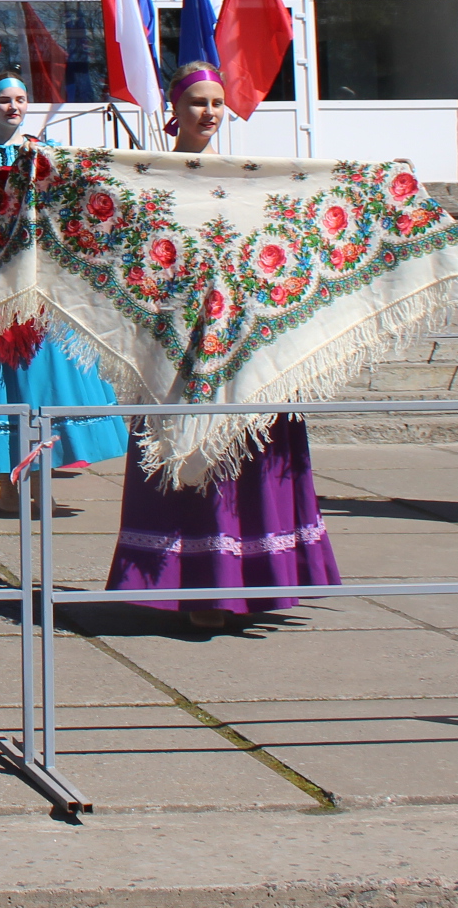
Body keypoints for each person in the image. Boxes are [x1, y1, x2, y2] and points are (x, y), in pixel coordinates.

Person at [102, 63, 341, 630]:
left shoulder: (254, 179)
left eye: (217, 103)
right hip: (177, 349)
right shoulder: (149, 178)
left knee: (253, 465)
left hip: (252, 346)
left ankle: (256, 585)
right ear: (173, 112)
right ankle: (201, 591)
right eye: (197, 103)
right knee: (189, 464)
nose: (209, 112)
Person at [0, 78, 131, 513]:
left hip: (42, 286)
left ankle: (41, 479)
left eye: (21, 99)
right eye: (4, 99)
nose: (13, 106)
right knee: (3, 384)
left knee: (43, 383)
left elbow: (84, 198)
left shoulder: (51, 153)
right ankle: (9, 483)